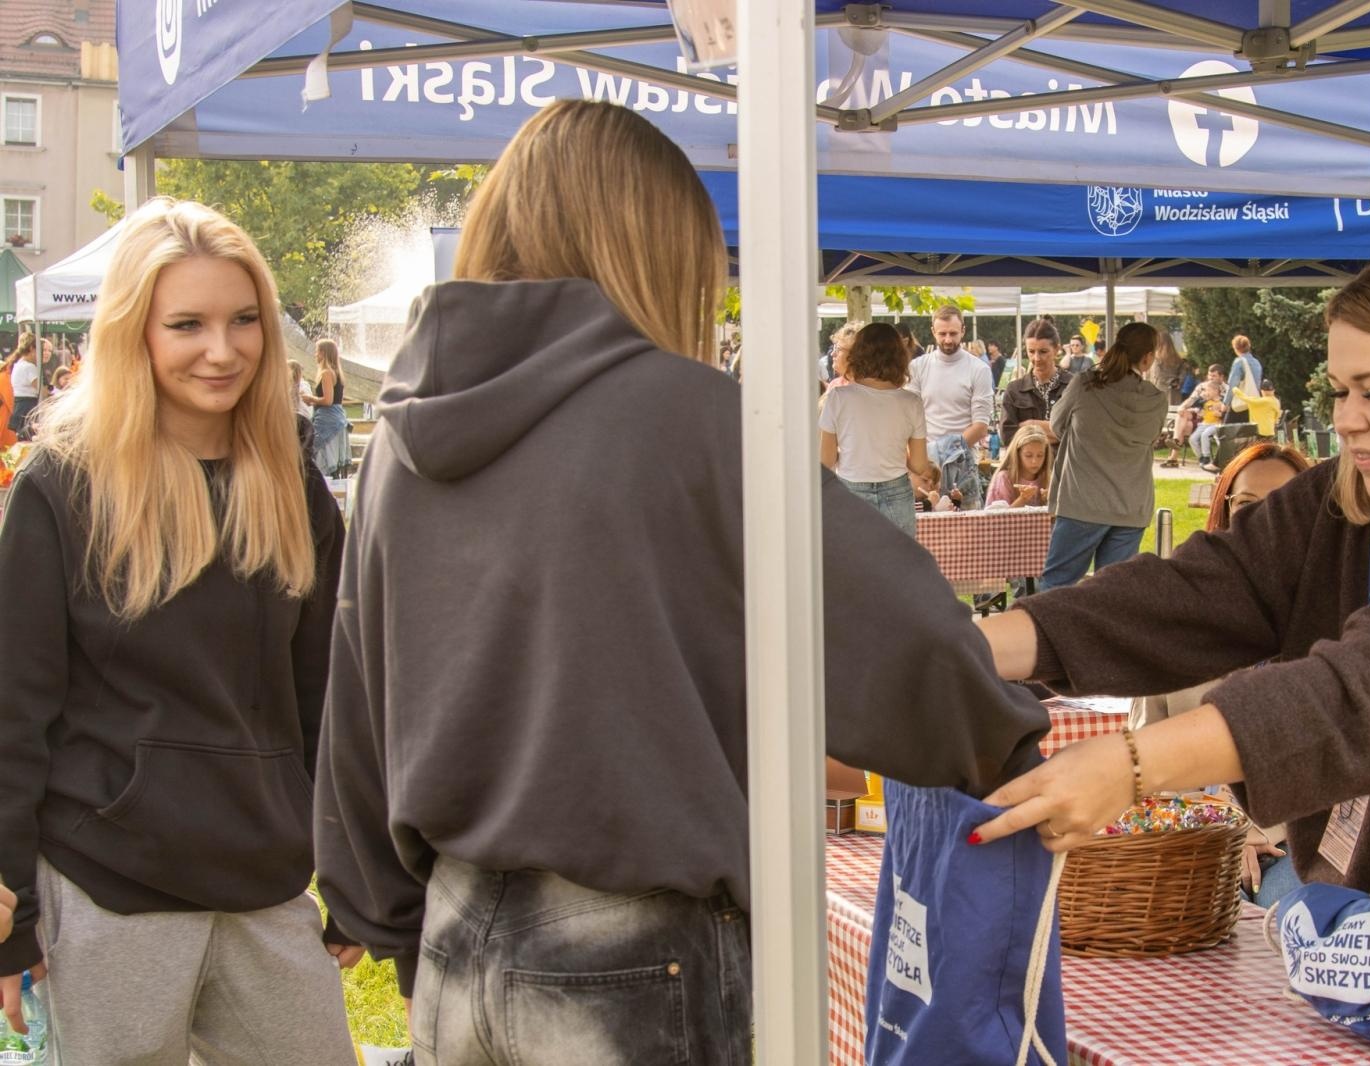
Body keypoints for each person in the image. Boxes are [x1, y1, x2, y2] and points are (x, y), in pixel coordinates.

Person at [313, 100, 1051, 1066]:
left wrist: (394, 923)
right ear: (658, 251)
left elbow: (357, 711)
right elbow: (901, 632)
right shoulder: (689, 415)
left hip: (456, 945)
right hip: (631, 947)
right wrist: (1005, 736)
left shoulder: (399, 442)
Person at [968, 245, 1370, 921]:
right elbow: (1193, 594)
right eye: (1340, 391)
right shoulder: (1343, 498)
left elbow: (1350, 696)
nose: (1347, 418)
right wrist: (971, 648)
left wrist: (1129, 766)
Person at [0, 198, 358, 1061]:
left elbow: (339, 700)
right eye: (187, 324)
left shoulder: (291, 483)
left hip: (265, 885)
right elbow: (14, 707)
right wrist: (10, 910)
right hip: (106, 887)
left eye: (245, 321)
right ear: (135, 332)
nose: (223, 349)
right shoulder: (62, 486)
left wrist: (355, 868)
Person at [1134, 443, 1315, 904]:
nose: (1265, 520)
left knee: (1299, 920)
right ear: (1223, 512)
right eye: (1247, 504)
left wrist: (1258, 830)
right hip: (1190, 842)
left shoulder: (1338, 620)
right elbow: (1143, 769)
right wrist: (1222, 830)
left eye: (1286, 503)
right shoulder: (1176, 623)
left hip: (1295, 844)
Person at [1038, 322, 1167, 590]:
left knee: (1056, 586)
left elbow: (1057, 425)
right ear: (1147, 358)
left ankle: (1051, 633)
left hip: (1083, 502)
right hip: (1131, 505)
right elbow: (1151, 437)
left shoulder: (1085, 384)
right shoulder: (1156, 399)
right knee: (1112, 594)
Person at [820, 322, 934, 537]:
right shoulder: (911, 402)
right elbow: (919, 464)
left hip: (851, 489)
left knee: (855, 565)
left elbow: (825, 460)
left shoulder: (838, 397)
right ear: (899, 357)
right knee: (898, 564)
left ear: (858, 355)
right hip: (897, 491)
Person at [908, 305, 993, 510]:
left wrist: (945, 453)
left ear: (963, 330)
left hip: (962, 464)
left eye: (953, 333)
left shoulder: (979, 369)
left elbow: (981, 425)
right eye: (942, 334)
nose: (948, 340)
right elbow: (908, 417)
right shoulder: (917, 366)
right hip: (924, 466)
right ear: (933, 332)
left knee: (967, 534)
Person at [998, 317, 1072, 446]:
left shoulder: (1073, 386)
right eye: (1031, 352)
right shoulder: (1014, 390)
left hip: (1063, 465)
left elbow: (1080, 434)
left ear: (1056, 349)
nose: (1036, 358)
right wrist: (1057, 432)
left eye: (1043, 351)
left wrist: (1029, 426)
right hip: (1027, 466)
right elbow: (1007, 436)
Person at [308, 338, 351, 477]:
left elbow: (328, 400)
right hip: (337, 418)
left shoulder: (326, 373)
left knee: (320, 458)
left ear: (323, 353)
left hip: (328, 421)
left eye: (317, 351)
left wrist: (311, 399)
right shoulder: (337, 373)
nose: (315, 355)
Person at [986, 423, 1052, 508]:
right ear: (1017, 454)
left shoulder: (1048, 478)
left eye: (1040, 455)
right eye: (1028, 455)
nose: (1034, 461)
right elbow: (999, 517)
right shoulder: (1004, 478)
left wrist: (1050, 501)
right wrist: (1022, 499)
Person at [7, 334, 44, 442]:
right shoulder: (29, 367)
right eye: (40, 350)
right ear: (32, 348)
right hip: (28, 407)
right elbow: (41, 390)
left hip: (20, 406)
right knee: (30, 441)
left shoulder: (18, 364)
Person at [1224, 333, 1264, 425]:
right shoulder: (1256, 362)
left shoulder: (1239, 362)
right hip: (1254, 402)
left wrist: (1226, 403)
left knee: (1226, 433)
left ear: (1235, 348)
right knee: (1249, 433)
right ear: (1248, 346)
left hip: (1240, 403)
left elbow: (1233, 385)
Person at [1187, 381, 1227, 472]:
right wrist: (1195, 410)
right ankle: (1201, 458)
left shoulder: (1222, 401)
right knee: (1192, 439)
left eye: (1208, 390)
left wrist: (1220, 414)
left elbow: (1226, 413)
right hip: (1204, 423)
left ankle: (1206, 456)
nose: (1206, 392)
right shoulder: (1205, 401)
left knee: (1205, 435)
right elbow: (1199, 409)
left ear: (1216, 391)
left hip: (1215, 424)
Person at [1238, 377, 1282, 442]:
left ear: (1262, 391)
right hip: (1270, 431)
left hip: (1260, 432)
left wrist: (1235, 390)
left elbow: (1248, 400)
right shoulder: (1276, 401)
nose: (1268, 392)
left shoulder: (1265, 401)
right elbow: (1277, 416)